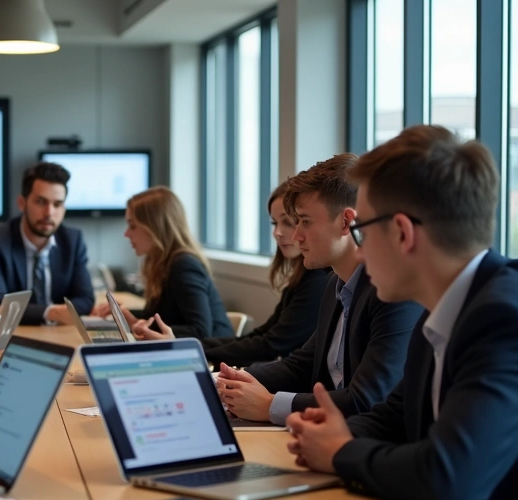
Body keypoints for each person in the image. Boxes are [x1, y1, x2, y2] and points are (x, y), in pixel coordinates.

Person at [285, 126, 518, 500]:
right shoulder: (447, 305)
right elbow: (395, 416)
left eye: (363, 232)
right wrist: (324, 432)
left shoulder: (505, 319)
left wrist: (340, 451)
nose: (359, 251)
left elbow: (447, 474)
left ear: (403, 233)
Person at [215, 154, 423, 425]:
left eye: (305, 221)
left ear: (346, 222)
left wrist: (269, 406)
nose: (296, 235)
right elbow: (302, 364)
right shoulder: (335, 284)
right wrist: (228, 381)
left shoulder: (393, 295)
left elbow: (366, 400)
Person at [128, 184, 329, 361]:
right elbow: (262, 336)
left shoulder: (317, 280)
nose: (277, 232)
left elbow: (270, 345)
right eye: (274, 223)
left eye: (289, 222)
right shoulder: (302, 278)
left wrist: (186, 348)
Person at [0, 161, 94, 325]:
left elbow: (85, 300)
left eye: (57, 204)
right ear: (22, 203)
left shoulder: (72, 240)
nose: (49, 212)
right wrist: (51, 312)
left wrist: (57, 313)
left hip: (53, 333)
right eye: (41, 202)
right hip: (1, 334)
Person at [95, 186, 234, 340]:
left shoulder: (184, 265)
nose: (126, 234)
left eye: (132, 226)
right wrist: (129, 316)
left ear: (155, 228)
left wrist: (143, 326)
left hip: (210, 353)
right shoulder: (161, 263)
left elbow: (200, 331)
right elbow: (161, 316)